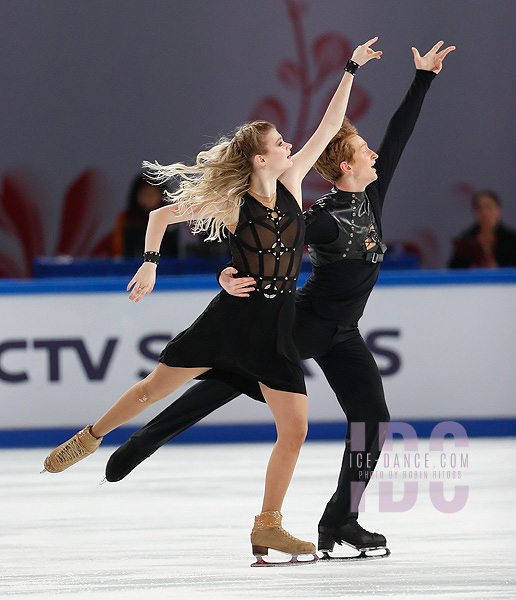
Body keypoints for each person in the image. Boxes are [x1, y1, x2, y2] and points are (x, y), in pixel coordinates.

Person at [104, 41, 455, 560]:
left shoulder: (372, 196)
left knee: (373, 418)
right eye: (364, 152)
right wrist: (230, 271)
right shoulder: (321, 216)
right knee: (230, 377)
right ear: (343, 167)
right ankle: (144, 439)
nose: (375, 155)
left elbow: (398, 136)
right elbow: (265, 237)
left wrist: (423, 78)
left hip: (345, 332)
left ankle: (342, 519)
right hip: (305, 321)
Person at [42, 37, 382, 565]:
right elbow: (158, 216)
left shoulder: (292, 185)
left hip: (276, 325)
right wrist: (150, 261)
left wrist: (351, 68)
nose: (291, 146)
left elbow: (328, 125)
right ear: (259, 155)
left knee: (294, 430)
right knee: (154, 388)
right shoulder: (229, 202)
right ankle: (90, 437)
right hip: (230, 320)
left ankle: (268, 527)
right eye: (280, 141)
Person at [112, 175, 179, 258]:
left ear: (161, 196)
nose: (149, 198)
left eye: (152, 194)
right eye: (145, 194)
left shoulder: (170, 216)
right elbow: (118, 250)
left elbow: (176, 252)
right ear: (136, 195)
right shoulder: (126, 217)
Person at [448, 190, 516, 268]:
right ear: (475, 212)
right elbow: (453, 268)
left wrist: (498, 268)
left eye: (488, 207)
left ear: (498, 210)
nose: (484, 212)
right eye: (480, 208)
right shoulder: (466, 238)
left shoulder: (511, 239)